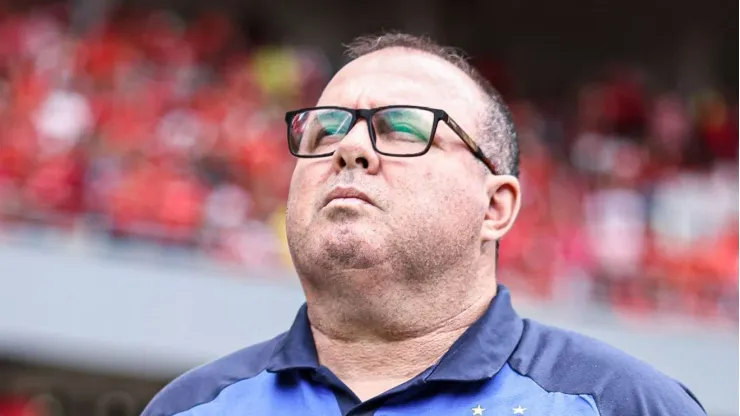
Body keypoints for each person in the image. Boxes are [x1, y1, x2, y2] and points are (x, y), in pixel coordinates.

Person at [142, 33, 706, 416]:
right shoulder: (191, 406)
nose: (351, 147)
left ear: (496, 208)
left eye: (403, 130)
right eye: (325, 130)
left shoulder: (622, 404)